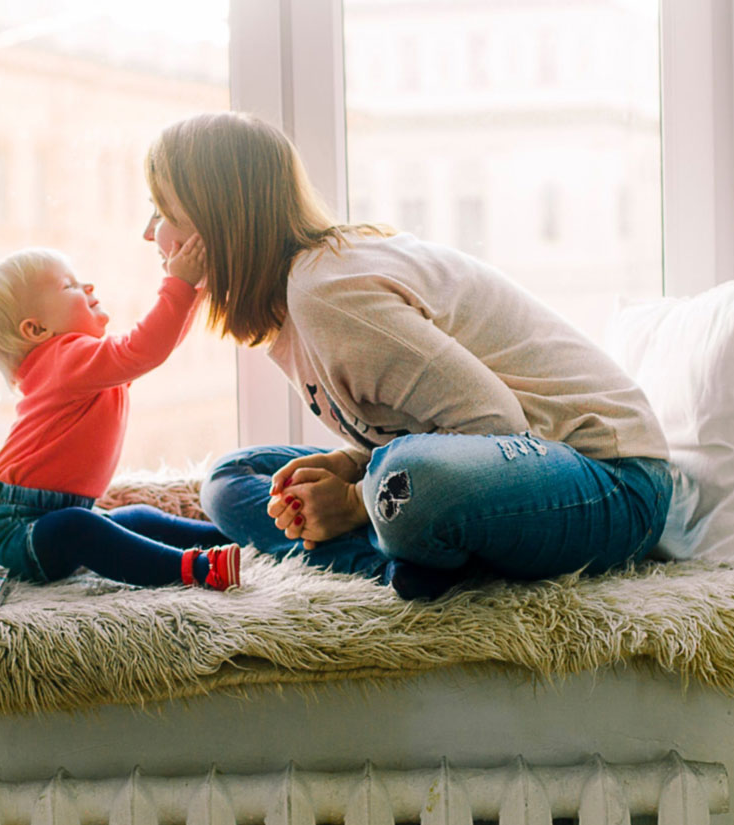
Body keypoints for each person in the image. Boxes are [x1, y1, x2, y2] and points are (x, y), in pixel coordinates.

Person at [141, 111, 672, 600]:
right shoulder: (292, 306)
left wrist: (352, 501)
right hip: (503, 470)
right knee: (233, 478)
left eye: (163, 212)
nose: (149, 233)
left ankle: (397, 548)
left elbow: (497, 424)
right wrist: (355, 468)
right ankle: (403, 562)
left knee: (407, 480)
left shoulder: (326, 291)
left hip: (612, 482)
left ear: (219, 222)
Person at [0, 243, 240, 591]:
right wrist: (180, 284)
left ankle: (232, 535)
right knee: (77, 528)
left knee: (136, 518)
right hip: (8, 531)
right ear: (36, 330)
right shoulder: (64, 360)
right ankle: (195, 569)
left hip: (46, 515)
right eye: (69, 286)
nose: (88, 286)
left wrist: (193, 291)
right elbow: (146, 348)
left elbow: (154, 349)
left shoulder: (80, 364)